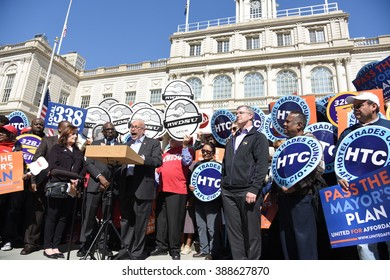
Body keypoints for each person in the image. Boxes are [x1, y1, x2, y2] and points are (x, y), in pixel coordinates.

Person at [338, 91, 390, 260]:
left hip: (386, 193)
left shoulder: (388, 127)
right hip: (360, 197)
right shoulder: (347, 133)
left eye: (359, 105)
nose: (355, 110)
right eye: (354, 107)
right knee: (365, 245)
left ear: (374, 106)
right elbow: (341, 162)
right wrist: (341, 178)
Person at [220, 105, 269, 260]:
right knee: (234, 232)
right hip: (228, 192)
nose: (237, 115)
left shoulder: (258, 137)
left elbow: (261, 165)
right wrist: (223, 184)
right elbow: (225, 164)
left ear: (250, 116)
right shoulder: (232, 139)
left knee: (251, 231)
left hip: (247, 190)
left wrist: (254, 189)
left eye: (241, 113)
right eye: (236, 113)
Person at [277, 111, 326, 260]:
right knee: (288, 242)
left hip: (302, 198)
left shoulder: (311, 142)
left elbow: (318, 169)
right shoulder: (285, 144)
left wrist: (295, 187)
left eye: (288, 121)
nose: (284, 124)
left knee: (304, 242)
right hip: (284, 199)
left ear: (299, 125)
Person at [21, 120, 71, 255]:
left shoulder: (72, 146)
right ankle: (30, 243)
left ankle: (50, 243)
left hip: (61, 187)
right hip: (43, 183)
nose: (70, 130)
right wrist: (33, 180)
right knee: (38, 213)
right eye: (67, 128)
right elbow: (36, 160)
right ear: (60, 129)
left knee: (55, 215)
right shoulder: (47, 141)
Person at [114, 119, 162, 260]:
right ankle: (125, 250)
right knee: (126, 220)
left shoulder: (153, 143)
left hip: (142, 187)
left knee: (141, 222)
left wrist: (141, 158)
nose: (132, 129)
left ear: (143, 130)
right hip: (126, 185)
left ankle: (137, 252)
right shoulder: (127, 144)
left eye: (136, 127)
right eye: (131, 127)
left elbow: (158, 161)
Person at [77, 122, 120, 258]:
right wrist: (100, 178)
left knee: (107, 218)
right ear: (102, 131)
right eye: (107, 129)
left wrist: (108, 182)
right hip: (94, 185)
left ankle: (103, 246)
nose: (109, 131)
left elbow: (121, 166)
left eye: (112, 129)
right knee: (89, 217)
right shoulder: (95, 144)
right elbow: (89, 163)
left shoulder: (120, 147)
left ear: (115, 131)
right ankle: (85, 246)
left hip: (110, 187)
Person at [43, 125, 85, 259]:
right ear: (65, 135)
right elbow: (53, 168)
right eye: (72, 134)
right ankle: (47, 247)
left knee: (63, 218)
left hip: (71, 190)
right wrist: (72, 176)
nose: (75, 136)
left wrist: (79, 178)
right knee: (52, 216)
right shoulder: (57, 149)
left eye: (76, 134)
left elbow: (83, 168)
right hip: (58, 185)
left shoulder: (78, 152)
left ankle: (56, 246)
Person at [151, 135, 193, 260]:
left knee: (174, 221)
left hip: (177, 190)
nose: (171, 140)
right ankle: (161, 246)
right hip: (162, 190)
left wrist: (185, 145)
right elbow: (158, 170)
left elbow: (187, 161)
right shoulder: (166, 153)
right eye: (170, 139)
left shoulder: (186, 150)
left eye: (174, 138)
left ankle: (174, 248)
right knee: (161, 220)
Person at [189, 142, 222, 260]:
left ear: (213, 153)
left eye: (208, 151)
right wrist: (191, 187)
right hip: (199, 200)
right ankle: (204, 250)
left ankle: (214, 252)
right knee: (201, 226)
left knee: (212, 227)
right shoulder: (197, 165)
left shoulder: (218, 166)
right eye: (203, 151)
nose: (205, 153)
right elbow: (192, 181)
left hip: (213, 202)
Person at [0, 125, 25, 251]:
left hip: (13, 188)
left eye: (4, 132)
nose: (0, 133)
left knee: (11, 213)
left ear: (12, 135)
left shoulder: (18, 148)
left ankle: (8, 239)